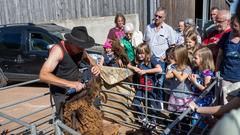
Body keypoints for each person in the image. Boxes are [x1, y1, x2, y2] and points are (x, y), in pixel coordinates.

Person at [39, 26, 100, 119]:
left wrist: (95, 66)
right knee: (66, 121)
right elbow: (43, 75)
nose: (82, 49)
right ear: (71, 42)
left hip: (76, 90)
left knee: (81, 119)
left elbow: (89, 59)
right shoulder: (58, 51)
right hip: (62, 93)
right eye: (80, 47)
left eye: (83, 47)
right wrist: (70, 84)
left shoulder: (80, 49)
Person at [128, 43, 162, 129]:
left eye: (142, 53)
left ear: (147, 52)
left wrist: (145, 71)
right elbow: (128, 65)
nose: (140, 55)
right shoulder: (137, 61)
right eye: (138, 53)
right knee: (135, 103)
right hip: (141, 87)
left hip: (151, 88)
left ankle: (153, 123)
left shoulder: (152, 60)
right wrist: (134, 68)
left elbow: (159, 69)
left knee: (152, 106)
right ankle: (144, 119)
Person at [216, 14, 240, 105]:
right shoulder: (226, 36)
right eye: (232, 24)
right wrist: (216, 70)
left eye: (236, 26)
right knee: (225, 104)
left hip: (239, 79)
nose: (233, 27)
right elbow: (220, 55)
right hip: (226, 77)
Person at [188, 47, 215, 127]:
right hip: (197, 98)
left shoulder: (207, 73)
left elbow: (206, 90)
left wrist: (195, 82)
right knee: (194, 120)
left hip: (204, 101)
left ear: (204, 59)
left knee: (199, 122)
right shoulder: (197, 70)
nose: (193, 60)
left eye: (195, 58)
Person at [166, 44, 192, 112]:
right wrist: (178, 73)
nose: (173, 57)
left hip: (183, 96)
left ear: (181, 56)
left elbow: (181, 79)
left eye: (175, 56)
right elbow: (167, 76)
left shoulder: (187, 68)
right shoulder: (174, 66)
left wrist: (174, 71)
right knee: (173, 113)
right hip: (174, 94)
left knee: (182, 115)